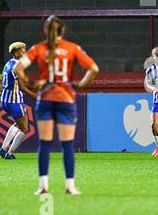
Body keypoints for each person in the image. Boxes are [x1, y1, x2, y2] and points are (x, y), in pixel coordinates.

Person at [15, 16, 99, 195]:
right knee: (67, 144)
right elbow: (94, 69)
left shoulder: (38, 49)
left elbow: (18, 69)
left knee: (44, 144)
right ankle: (70, 186)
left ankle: (43, 186)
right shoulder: (72, 48)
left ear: (45, 31)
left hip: (45, 98)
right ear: (63, 30)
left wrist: (31, 82)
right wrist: (81, 84)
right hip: (65, 98)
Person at [0, 42, 37, 159]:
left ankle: (3, 149)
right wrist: (36, 96)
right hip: (15, 101)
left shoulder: (8, 64)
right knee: (24, 128)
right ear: (17, 52)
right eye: (24, 50)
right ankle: (9, 152)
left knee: (18, 124)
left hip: (5, 100)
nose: (25, 53)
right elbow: (23, 87)